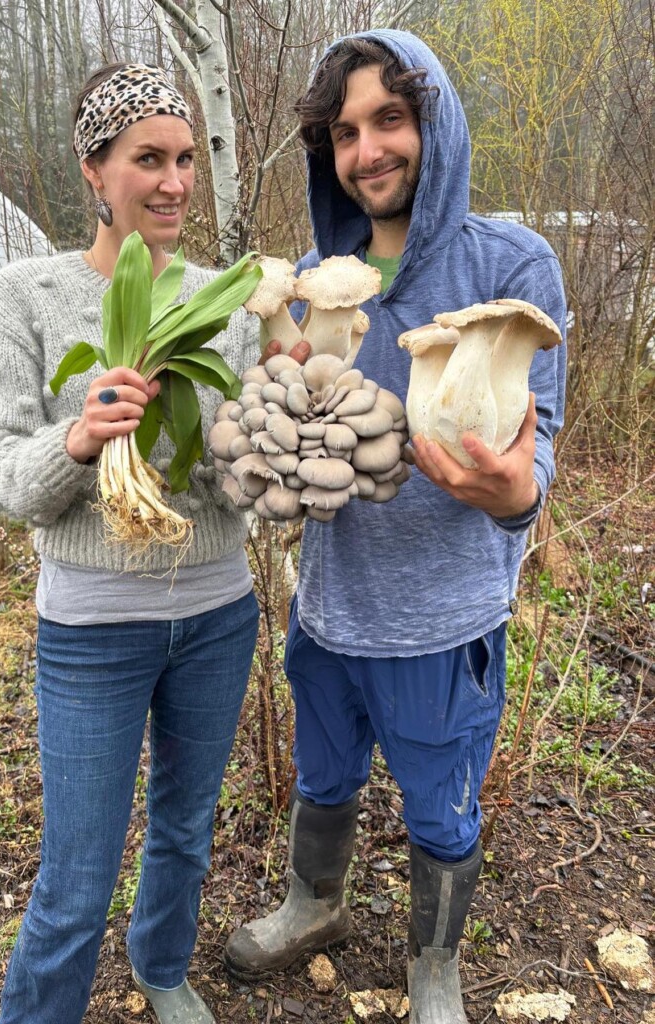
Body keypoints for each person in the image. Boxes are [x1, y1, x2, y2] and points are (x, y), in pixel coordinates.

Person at [224, 30, 567, 1024]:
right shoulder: (313, 275)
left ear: (437, 124)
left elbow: (537, 445)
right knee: (324, 775)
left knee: (442, 805)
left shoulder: (514, 264)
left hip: (444, 617)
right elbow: (287, 432)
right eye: (344, 132)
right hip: (331, 607)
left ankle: (435, 970)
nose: (367, 150)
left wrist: (510, 493)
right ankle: (312, 904)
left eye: (391, 119)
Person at [0, 63, 263, 1024]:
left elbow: (236, 480)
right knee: (78, 871)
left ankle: (163, 966)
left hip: (218, 613)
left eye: (185, 158)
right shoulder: (23, 296)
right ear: (94, 171)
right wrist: (81, 439)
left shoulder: (227, 302)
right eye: (147, 158)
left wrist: (278, 445)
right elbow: (0, 475)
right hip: (92, 630)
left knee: (184, 827)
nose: (174, 180)